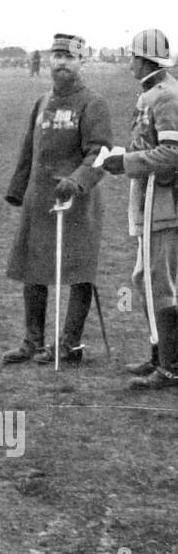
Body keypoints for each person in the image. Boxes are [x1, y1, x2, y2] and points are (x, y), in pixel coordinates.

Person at [3, 32, 112, 365]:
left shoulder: (93, 103)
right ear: (49, 60)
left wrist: (77, 181)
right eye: (57, 56)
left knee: (78, 271)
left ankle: (69, 344)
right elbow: (29, 149)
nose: (62, 62)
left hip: (76, 201)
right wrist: (17, 189)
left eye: (70, 57)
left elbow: (100, 152)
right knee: (33, 268)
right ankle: (32, 341)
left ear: (81, 62)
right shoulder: (41, 101)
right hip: (40, 201)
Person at [100, 29, 178, 388]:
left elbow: (172, 153)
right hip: (148, 198)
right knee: (144, 279)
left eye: (132, 56)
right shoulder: (151, 94)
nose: (129, 62)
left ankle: (171, 367)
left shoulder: (166, 97)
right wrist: (124, 157)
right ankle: (159, 356)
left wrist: (126, 161)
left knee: (159, 283)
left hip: (165, 202)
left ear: (145, 60)